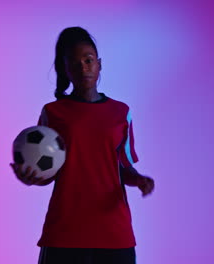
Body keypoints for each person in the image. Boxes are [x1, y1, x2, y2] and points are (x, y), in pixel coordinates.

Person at [10, 26, 155, 264]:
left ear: (99, 64)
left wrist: (139, 179)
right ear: (65, 68)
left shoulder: (121, 112)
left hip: (113, 233)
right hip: (65, 232)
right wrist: (31, 176)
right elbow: (49, 171)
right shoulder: (53, 112)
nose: (83, 68)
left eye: (88, 60)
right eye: (75, 63)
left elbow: (122, 168)